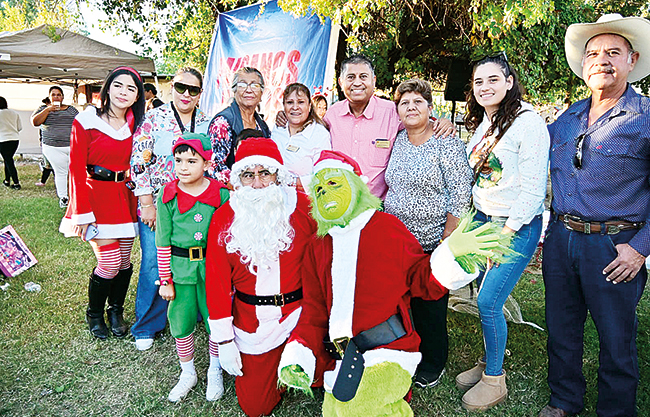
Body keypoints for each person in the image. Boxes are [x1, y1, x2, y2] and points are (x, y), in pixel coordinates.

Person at [277, 150, 508, 417]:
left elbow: (421, 280)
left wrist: (452, 256)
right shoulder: (317, 246)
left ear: (355, 185)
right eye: (318, 190)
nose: (325, 193)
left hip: (389, 350)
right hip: (344, 357)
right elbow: (314, 309)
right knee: (333, 411)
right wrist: (300, 351)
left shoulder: (386, 228)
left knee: (354, 410)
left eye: (333, 183)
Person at [539, 14, 650, 417]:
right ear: (584, 64)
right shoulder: (567, 118)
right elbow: (520, 146)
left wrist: (640, 248)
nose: (601, 60)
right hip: (561, 240)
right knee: (561, 329)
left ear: (632, 60)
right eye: (593, 53)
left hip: (615, 245)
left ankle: (615, 411)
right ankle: (564, 400)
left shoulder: (646, 117)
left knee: (616, 337)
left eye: (613, 52)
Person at [455, 52, 549, 411]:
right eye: (478, 81)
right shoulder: (486, 123)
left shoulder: (528, 123)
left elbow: (533, 190)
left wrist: (505, 234)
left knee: (489, 301)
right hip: (482, 219)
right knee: (484, 296)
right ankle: (488, 360)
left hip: (513, 224)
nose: (485, 87)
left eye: (493, 79)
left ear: (509, 82)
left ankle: (495, 379)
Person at [205, 137, 316, 417]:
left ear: (278, 175)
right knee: (256, 407)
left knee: (326, 380)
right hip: (253, 324)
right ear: (238, 179)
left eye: (265, 173)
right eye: (248, 175)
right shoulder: (224, 218)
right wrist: (224, 341)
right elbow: (216, 283)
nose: (257, 183)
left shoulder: (303, 208)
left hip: (301, 318)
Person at [384, 79, 473, 389]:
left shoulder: (445, 141)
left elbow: (460, 192)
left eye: (417, 102)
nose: (411, 107)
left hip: (431, 242)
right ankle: (406, 353)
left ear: (430, 108)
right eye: (404, 103)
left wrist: (446, 239)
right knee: (403, 304)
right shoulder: (398, 140)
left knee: (430, 305)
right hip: (397, 243)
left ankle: (433, 362)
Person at [59, 66, 145, 340]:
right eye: (118, 85)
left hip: (125, 196)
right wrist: (81, 212)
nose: (123, 92)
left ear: (137, 96)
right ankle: (94, 313)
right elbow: (75, 168)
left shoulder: (137, 123)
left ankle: (115, 311)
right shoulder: (86, 119)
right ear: (107, 88)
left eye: (131, 88)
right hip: (95, 195)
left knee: (124, 261)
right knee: (109, 262)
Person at [130, 66, 210, 351]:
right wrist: (146, 204)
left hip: (196, 206)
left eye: (193, 89)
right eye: (180, 87)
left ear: (200, 93)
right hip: (159, 204)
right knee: (154, 260)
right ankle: (147, 325)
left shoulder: (206, 122)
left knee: (193, 259)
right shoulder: (154, 118)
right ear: (171, 88)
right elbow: (138, 162)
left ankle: (192, 312)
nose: (186, 94)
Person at [155, 133, 230, 403]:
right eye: (178, 161)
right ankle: (188, 372)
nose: (183, 167)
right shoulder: (167, 195)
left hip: (213, 269)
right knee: (181, 320)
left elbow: (227, 238)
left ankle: (214, 369)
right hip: (181, 270)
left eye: (191, 161)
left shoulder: (221, 194)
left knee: (215, 319)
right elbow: (162, 240)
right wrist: (165, 279)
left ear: (207, 164)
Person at [322, 54, 454, 199]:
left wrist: (440, 122)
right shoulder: (332, 115)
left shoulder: (392, 112)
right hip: (338, 203)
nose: (357, 83)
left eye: (363, 77)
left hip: (379, 206)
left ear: (374, 80)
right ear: (341, 82)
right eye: (351, 77)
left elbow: (419, 124)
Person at [208, 67, 271, 184]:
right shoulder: (222, 123)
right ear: (234, 90)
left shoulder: (262, 125)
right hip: (231, 190)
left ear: (261, 92)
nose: (248, 90)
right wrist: (241, 185)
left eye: (254, 85)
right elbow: (215, 166)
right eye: (242, 85)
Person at [271, 83, 331, 187]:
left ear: (309, 106)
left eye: (301, 102)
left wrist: (292, 182)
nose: (295, 107)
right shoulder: (278, 128)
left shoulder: (320, 134)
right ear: (284, 105)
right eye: (290, 102)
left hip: (304, 196)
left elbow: (325, 174)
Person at [31, 86, 79, 207]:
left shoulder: (71, 110)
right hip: (52, 147)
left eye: (58, 95)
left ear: (62, 97)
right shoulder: (43, 109)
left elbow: (80, 122)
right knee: (61, 172)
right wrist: (48, 109)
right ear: (49, 97)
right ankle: (63, 198)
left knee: (76, 172)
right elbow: (35, 122)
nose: (56, 97)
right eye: (53, 95)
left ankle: (78, 197)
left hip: (72, 146)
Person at [0, 96, 23, 190]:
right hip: (14, 140)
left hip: (2, 140)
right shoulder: (14, 113)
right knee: (8, 159)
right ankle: (7, 180)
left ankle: (16, 183)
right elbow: (19, 127)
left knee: (8, 160)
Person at [35, 97, 54, 187]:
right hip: (46, 141)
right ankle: (44, 181)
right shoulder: (44, 112)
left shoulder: (47, 113)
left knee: (49, 164)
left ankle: (43, 182)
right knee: (49, 164)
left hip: (49, 142)